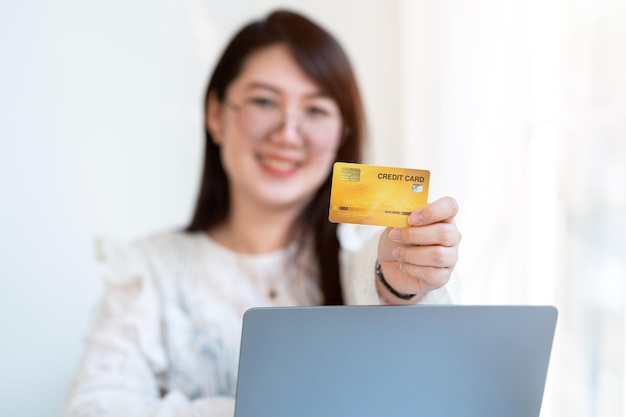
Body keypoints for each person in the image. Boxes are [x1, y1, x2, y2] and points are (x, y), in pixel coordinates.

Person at [64, 9, 461, 417]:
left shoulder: (362, 256)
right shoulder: (147, 271)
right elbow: (93, 409)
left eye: (316, 110)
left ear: (342, 135)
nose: (288, 133)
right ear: (217, 116)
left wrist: (399, 286)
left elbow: (430, 389)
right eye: (264, 101)